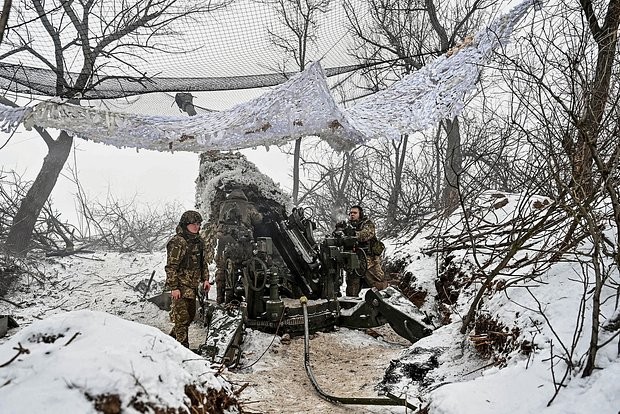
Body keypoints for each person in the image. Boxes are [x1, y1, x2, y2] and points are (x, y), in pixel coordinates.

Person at [165, 210, 211, 348]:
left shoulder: (199, 241)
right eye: (193, 224)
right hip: (180, 286)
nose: (196, 227)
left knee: (190, 317)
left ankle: (169, 340)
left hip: (192, 286)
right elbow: (171, 267)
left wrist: (206, 280)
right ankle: (183, 348)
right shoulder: (178, 242)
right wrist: (174, 287)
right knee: (182, 319)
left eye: (198, 224)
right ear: (185, 225)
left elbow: (203, 263)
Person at [214, 189, 263, 304]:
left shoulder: (222, 205)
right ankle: (246, 300)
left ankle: (221, 299)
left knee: (222, 270)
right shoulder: (248, 206)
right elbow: (258, 220)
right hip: (242, 243)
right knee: (247, 269)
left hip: (223, 243)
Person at [341, 205, 387, 296]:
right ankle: (351, 307)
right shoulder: (347, 226)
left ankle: (385, 303)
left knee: (379, 285)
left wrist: (354, 234)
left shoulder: (367, 223)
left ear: (360, 214)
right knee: (352, 289)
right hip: (353, 262)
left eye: (355, 213)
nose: (352, 215)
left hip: (369, 261)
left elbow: (366, 234)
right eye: (350, 213)